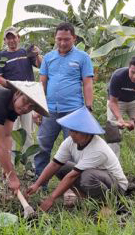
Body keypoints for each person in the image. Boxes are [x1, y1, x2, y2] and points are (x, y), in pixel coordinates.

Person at [27, 106, 128, 211]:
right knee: (62, 167)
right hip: (99, 178)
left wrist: (51, 198)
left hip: (117, 187)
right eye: (71, 130)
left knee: (87, 176)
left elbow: (72, 176)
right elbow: (54, 164)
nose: (71, 134)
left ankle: (106, 204)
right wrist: (37, 184)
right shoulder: (70, 141)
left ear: (87, 133)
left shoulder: (98, 149)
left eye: (76, 132)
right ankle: (86, 200)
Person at [33, 22, 94, 188]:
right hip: (50, 111)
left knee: (74, 150)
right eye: (59, 39)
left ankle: (72, 188)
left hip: (74, 112)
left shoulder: (83, 58)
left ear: (73, 38)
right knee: (42, 147)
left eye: (66, 39)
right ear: (55, 38)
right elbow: (42, 84)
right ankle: (40, 184)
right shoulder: (48, 58)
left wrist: (88, 108)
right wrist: (37, 108)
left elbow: (87, 84)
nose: (62, 43)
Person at [0, 27, 42, 170]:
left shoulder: (25, 53)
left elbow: (40, 65)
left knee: (28, 133)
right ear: (5, 40)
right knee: (11, 133)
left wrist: (37, 53)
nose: (11, 40)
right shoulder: (1, 56)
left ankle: (30, 166)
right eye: (8, 38)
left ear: (18, 37)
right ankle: (10, 166)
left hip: (28, 98)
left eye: (13, 37)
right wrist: (14, 87)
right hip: (11, 99)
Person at [107, 56, 135, 163]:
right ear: (129, 68)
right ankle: (113, 166)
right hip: (117, 102)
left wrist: (134, 120)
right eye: (132, 72)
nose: (134, 76)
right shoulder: (118, 76)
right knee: (113, 133)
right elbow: (112, 101)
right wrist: (119, 119)